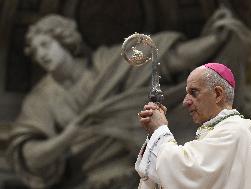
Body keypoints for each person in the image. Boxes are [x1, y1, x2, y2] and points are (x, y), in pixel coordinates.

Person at [7, 12, 236, 189]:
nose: (41, 55)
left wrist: (214, 39)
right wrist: (69, 136)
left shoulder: (109, 63)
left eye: (45, 45)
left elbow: (168, 58)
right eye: (35, 51)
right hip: (94, 180)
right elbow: (28, 155)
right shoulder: (41, 99)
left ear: (64, 39)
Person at [136, 63, 251, 189]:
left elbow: (186, 171)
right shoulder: (215, 131)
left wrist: (160, 129)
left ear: (218, 94)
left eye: (194, 92)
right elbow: (169, 175)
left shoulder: (233, 130)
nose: (186, 102)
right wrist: (154, 134)